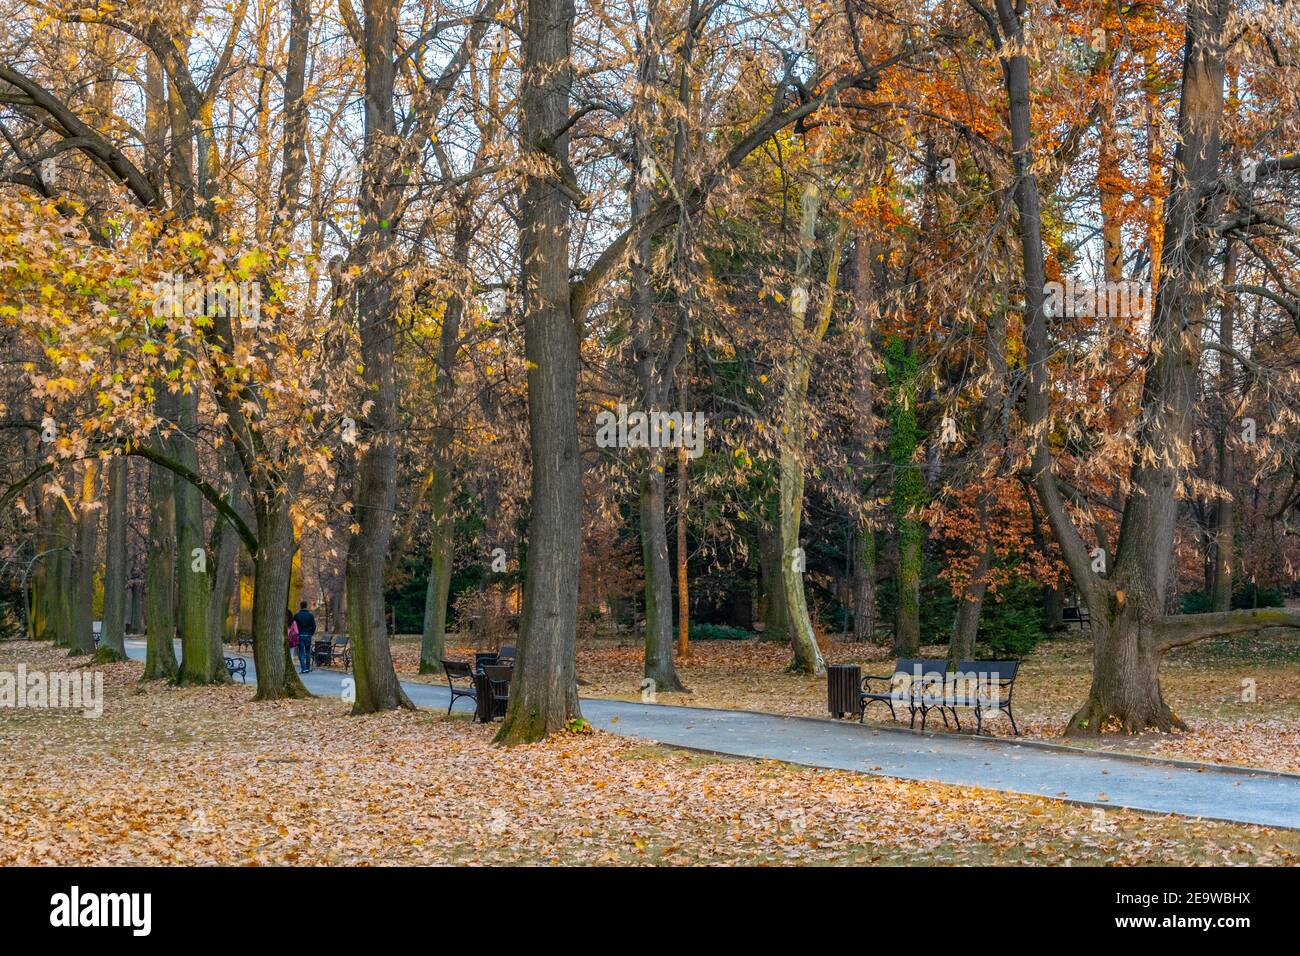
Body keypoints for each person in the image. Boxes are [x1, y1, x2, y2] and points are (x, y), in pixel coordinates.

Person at [293, 601, 317, 673]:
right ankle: (307, 667)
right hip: (308, 635)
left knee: (301, 652)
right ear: (306, 606)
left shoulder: (297, 616)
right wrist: (311, 633)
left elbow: (294, 626)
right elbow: (314, 626)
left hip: (300, 635)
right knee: (308, 652)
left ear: (300, 606)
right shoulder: (310, 615)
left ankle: (303, 668)